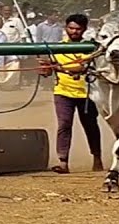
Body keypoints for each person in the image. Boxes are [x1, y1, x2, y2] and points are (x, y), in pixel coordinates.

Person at [40, 13, 103, 174]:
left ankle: (97, 158)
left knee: (90, 126)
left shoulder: (91, 47)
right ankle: (63, 161)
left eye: (78, 29)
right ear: (66, 28)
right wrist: (46, 68)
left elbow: (82, 67)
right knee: (64, 125)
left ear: (84, 29)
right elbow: (48, 71)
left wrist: (58, 67)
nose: (74, 32)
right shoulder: (57, 47)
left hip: (87, 94)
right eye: (71, 28)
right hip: (63, 91)